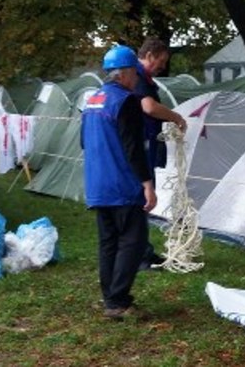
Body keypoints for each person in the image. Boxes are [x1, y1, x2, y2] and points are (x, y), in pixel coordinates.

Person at [81, 45, 156, 320]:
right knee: (134, 241)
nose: (136, 79)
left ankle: (110, 297)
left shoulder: (92, 101)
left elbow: (83, 142)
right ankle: (118, 301)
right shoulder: (127, 101)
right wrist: (147, 183)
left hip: (97, 184)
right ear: (124, 74)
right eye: (135, 74)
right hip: (122, 184)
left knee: (109, 242)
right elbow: (133, 147)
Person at [133, 37, 187, 270]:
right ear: (150, 55)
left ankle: (142, 250)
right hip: (141, 147)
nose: (162, 67)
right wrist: (176, 117)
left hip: (145, 145)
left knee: (141, 201)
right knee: (141, 199)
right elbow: (149, 107)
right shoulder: (138, 78)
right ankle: (140, 255)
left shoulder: (137, 78)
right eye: (161, 61)